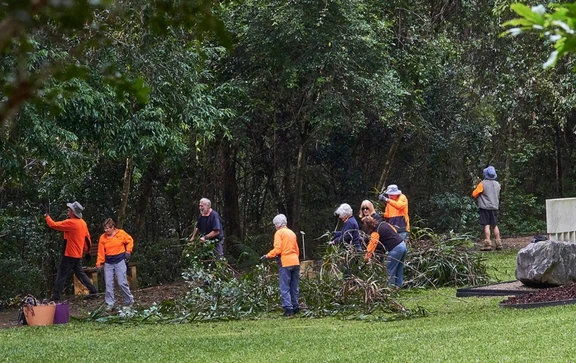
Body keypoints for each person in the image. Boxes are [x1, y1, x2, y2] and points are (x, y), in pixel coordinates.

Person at [42, 201, 98, 302]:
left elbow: (53, 224)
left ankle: (55, 298)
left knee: (61, 276)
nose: (68, 210)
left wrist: (46, 215)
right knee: (80, 274)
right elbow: (87, 239)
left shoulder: (71, 223)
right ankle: (93, 291)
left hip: (68, 255)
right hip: (77, 255)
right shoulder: (83, 223)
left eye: (69, 209)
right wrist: (88, 251)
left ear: (73, 212)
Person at [261, 214, 300, 317]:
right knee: (294, 286)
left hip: (285, 262)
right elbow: (297, 249)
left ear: (277, 225)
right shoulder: (291, 233)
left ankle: (288, 309)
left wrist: (267, 256)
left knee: (285, 286)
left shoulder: (279, 233)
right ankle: (295, 306)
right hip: (295, 261)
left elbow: (278, 249)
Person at [96, 218, 134, 311]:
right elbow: (100, 252)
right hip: (108, 262)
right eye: (105, 228)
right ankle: (110, 303)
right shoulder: (103, 237)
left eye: (108, 228)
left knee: (122, 282)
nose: (106, 230)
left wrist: (128, 251)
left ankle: (129, 301)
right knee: (108, 283)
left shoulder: (121, 233)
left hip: (120, 261)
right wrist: (99, 263)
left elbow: (130, 240)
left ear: (113, 227)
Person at [363, 216, 407, 288]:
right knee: (399, 267)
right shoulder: (384, 223)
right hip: (402, 244)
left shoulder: (375, 232)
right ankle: (398, 286)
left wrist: (365, 259)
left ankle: (390, 288)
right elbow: (395, 231)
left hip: (395, 248)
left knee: (390, 269)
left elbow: (371, 248)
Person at [472, 165, 502, 251]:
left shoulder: (482, 184)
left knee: (486, 225)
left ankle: (488, 244)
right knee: (495, 225)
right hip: (494, 207)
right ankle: (498, 243)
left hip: (485, 207)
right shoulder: (497, 184)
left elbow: (474, 194)